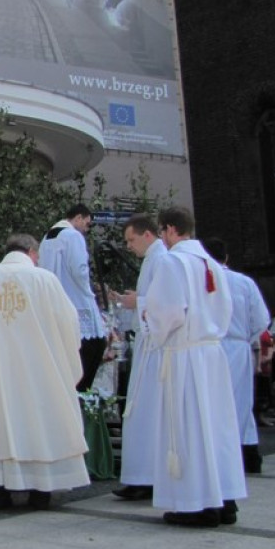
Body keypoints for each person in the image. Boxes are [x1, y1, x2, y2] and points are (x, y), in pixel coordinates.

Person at [0, 234, 90, 511]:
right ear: (32, 252)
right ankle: (41, 489)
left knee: (3, 421)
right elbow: (69, 324)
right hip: (40, 371)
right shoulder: (45, 280)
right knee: (39, 420)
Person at [146, 207, 246, 527]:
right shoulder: (211, 264)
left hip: (186, 355)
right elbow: (224, 307)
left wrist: (150, 319)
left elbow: (170, 311)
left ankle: (198, 505)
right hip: (211, 354)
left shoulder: (172, 261)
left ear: (171, 229)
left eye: (162, 231)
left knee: (190, 428)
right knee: (216, 430)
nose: (162, 237)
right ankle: (225, 498)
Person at [110, 213, 167, 501]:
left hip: (156, 349)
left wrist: (139, 302)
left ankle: (147, 477)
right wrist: (133, 299)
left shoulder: (162, 258)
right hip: (147, 345)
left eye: (131, 240)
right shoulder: (152, 259)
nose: (129, 246)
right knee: (139, 414)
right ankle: (139, 476)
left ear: (148, 235)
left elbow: (170, 303)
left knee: (146, 414)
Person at [202, 237, 271, 474]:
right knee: (241, 402)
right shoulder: (244, 282)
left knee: (216, 404)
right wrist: (247, 340)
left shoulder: (202, 281)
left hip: (211, 346)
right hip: (239, 347)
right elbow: (261, 320)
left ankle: (224, 457)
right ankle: (248, 455)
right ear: (227, 257)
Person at [39, 204, 107, 392]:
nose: (86, 228)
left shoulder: (47, 237)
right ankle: (82, 396)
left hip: (54, 301)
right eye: (86, 223)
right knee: (94, 345)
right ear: (78, 218)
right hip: (76, 300)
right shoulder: (73, 236)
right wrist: (90, 293)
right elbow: (79, 271)